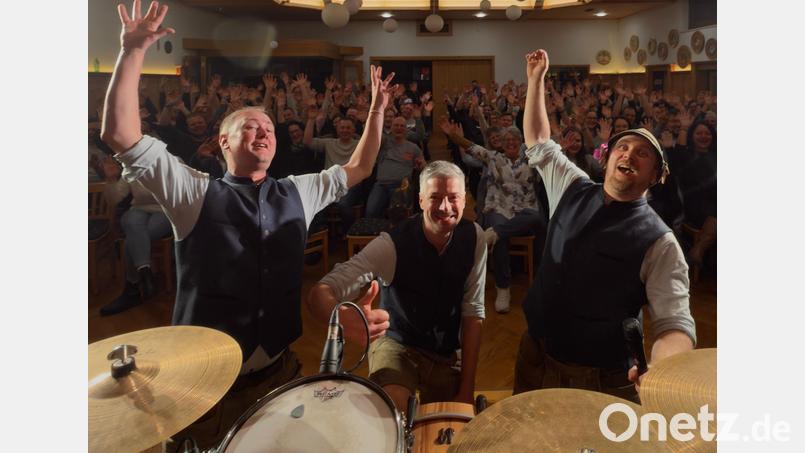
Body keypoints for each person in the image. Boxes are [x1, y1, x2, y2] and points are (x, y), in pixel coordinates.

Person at [99, 1, 394, 448]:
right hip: (204, 384)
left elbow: (359, 167)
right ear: (223, 141)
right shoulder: (193, 192)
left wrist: (375, 113)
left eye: (270, 128)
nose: (264, 132)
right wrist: (133, 51)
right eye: (251, 126)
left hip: (279, 372)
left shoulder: (299, 190)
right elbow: (122, 135)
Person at [515, 49, 696, 402]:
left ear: (655, 176)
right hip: (535, 353)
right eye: (622, 147)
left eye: (642, 154)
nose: (629, 154)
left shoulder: (659, 241)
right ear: (607, 157)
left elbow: (674, 323)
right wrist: (535, 80)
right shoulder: (572, 186)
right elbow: (538, 141)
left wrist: (661, 368)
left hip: (599, 378)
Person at [307, 161, 486, 413]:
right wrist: (341, 318)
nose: (445, 207)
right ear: (421, 200)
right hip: (396, 343)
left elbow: (473, 313)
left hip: (444, 351)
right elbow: (321, 291)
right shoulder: (391, 244)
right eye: (435, 197)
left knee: (445, 424)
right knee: (393, 411)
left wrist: (467, 389)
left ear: (465, 200)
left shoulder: (475, 237)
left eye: (453, 198)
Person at [99, 156, 172, 316]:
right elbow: (114, 200)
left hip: (165, 211)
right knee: (130, 219)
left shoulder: (170, 162)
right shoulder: (130, 168)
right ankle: (145, 273)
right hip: (139, 210)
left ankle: (132, 287)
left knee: (132, 240)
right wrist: (111, 179)